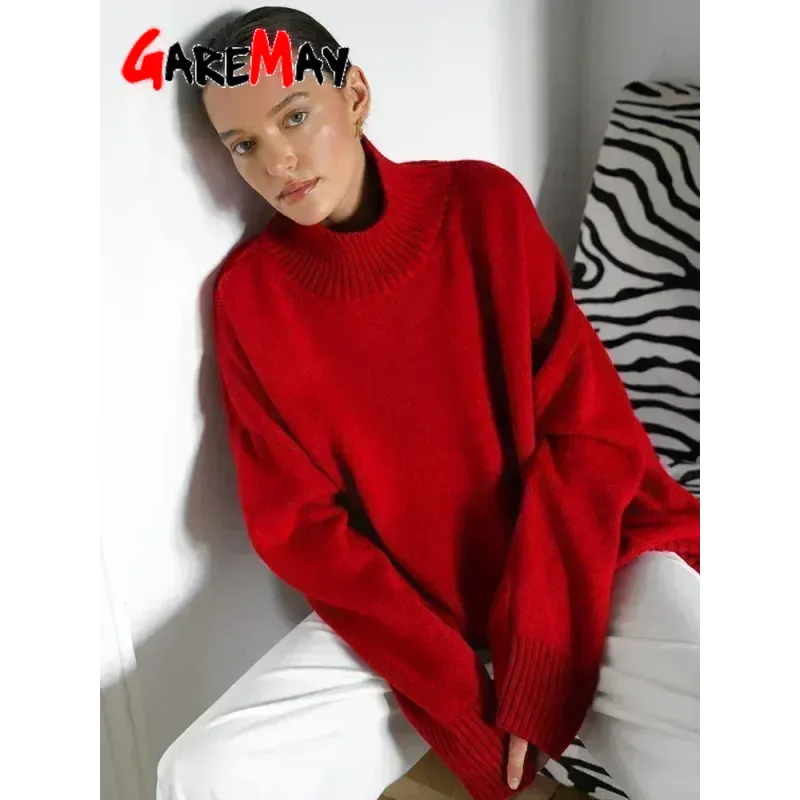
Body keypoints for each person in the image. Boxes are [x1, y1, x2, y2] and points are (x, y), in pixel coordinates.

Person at [156, 7, 703, 800]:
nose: (278, 162)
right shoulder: (250, 300)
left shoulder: (483, 205)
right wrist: (453, 698)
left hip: (584, 568)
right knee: (202, 772)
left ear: (354, 95)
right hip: (414, 614)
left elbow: (588, 434)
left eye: (294, 116)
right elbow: (302, 530)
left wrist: (539, 649)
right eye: (244, 145)